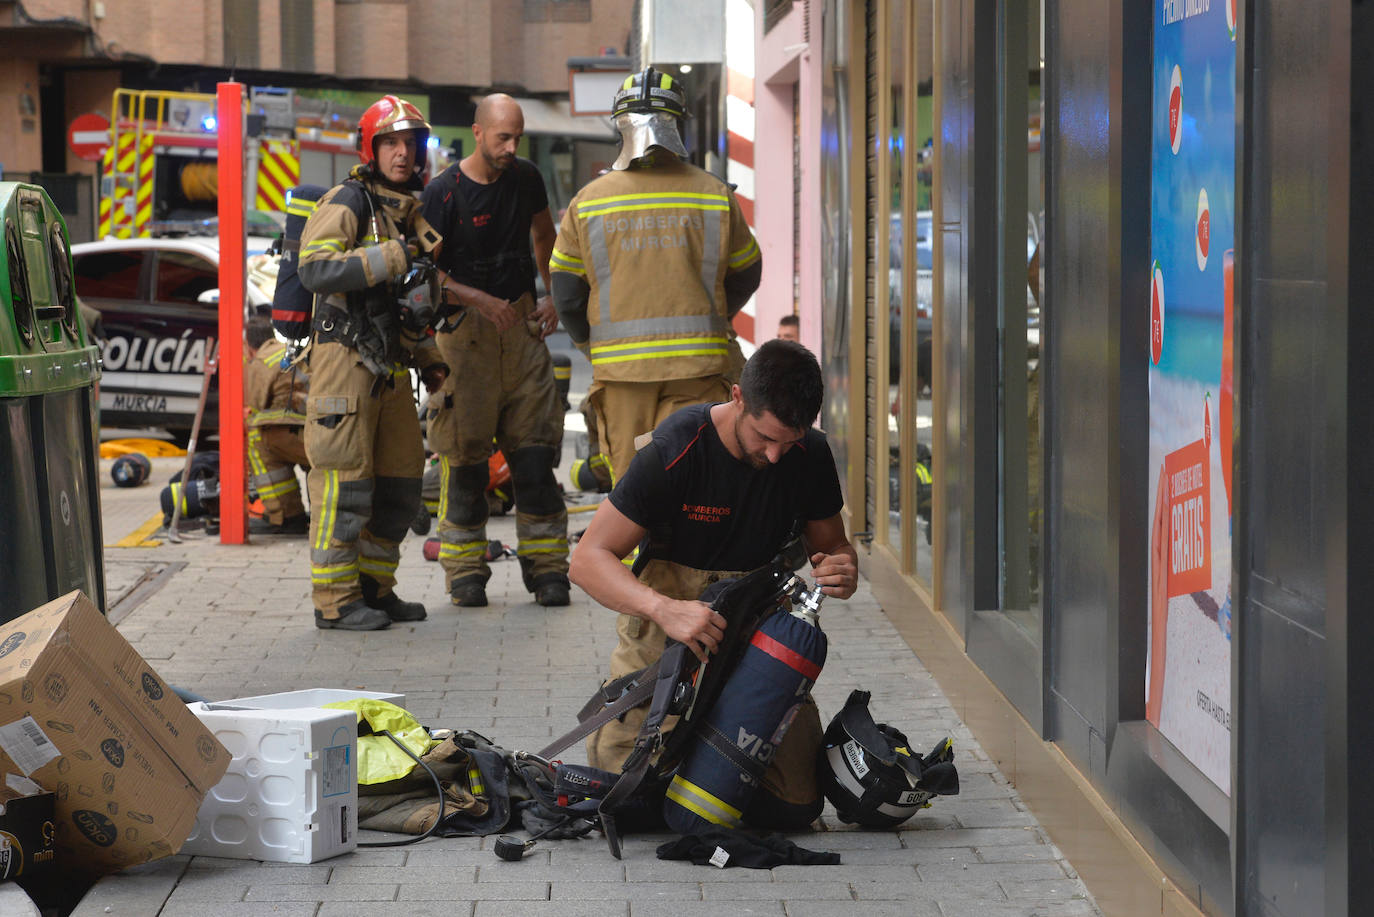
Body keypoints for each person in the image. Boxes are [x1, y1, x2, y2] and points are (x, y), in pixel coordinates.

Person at [569, 339, 859, 827]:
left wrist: (843, 570)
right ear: (737, 397)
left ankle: (706, 749)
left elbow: (834, 548)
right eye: (764, 437)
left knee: (794, 808)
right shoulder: (676, 448)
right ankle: (684, 751)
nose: (773, 454)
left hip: (756, 629)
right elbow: (587, 561)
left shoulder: (807, 454)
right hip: (667, 631)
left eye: (788, 442)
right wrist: (664, 609)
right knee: (626, 799)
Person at [550, 66, 763, 484]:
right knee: (697, 481)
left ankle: (637, 553)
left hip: (623, 379)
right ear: (678, 123)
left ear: (619, 124)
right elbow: (747, 273)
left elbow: (566, 294)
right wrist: (712, 316)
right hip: (699, 369)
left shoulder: (589, 202)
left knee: (636, 489)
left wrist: (592, 346)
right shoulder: (713, 194)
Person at [297, 94, 446, 631]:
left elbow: (408, 304)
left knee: (401, 489)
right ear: (371, 148)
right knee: (345, 489)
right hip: (343, 365)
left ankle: (375, 590)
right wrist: (389, 256)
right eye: (391, 143)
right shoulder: (349, 200)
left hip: (391, 370)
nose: (403, 153)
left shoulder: (405, 211)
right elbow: (314, 270)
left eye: (411, 143)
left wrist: (430, 360)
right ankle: (335, 604)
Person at [420, 93, 570, 609]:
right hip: (465, 339)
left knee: (534, 463)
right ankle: (464, 574)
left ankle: (549, 572)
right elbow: (427, 273)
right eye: (502, 137)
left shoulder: (526, 177)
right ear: (477, 133)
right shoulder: (443, 193)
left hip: (522, 334)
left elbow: (545, 236)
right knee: (464, 468)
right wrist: (480, 300)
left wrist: (551, 295)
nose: (511, 147)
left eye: (517, 137)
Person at [243, 318, 309, 535]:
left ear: (248, 345)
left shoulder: (261, 361)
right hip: (321, 427)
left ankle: (286, 515)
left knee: (256, 439)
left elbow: (254, 403)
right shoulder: (288, 350)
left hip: (298, 433)